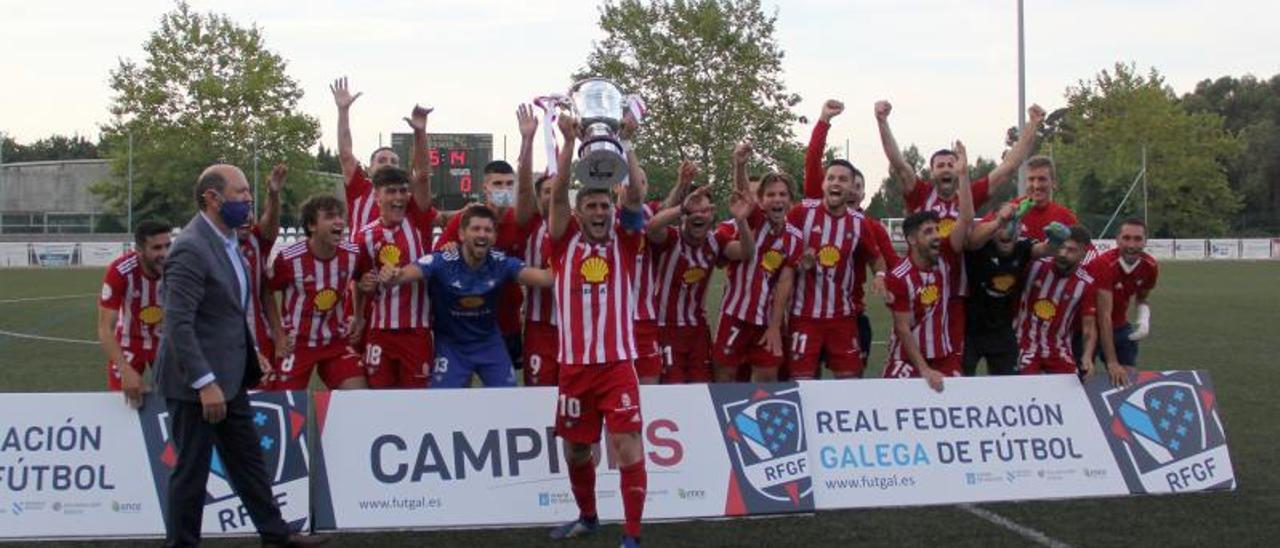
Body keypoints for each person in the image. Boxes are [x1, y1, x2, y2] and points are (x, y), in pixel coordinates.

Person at [154, 164, 324, 548]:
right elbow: (178, 324)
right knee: (192, 472)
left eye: (249, 192)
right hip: (196, 385)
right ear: (212, 198)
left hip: (228, 379)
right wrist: (205, 382)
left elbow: (231, 312)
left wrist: (250, 356)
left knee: (248, 463)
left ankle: (276, 535)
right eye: (241, 192)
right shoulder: (191, 248)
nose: (248, 199)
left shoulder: (230, 241)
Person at [544, 114, 647, 548]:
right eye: (592, 206)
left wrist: (624, 141)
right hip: (574, 368)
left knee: (627, 448)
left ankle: (632, 536)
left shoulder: (625, 242)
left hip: (617, 365)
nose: (601, 212)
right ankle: (588, 516)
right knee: (576, 451)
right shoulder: (562, 241)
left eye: (606, 206)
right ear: (580, 211)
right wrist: (568, 143)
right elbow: (557, 198)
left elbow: (638, 194)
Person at [381, 205, 555, 388]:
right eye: (476, 229)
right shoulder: (442, 261)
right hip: (451, 346)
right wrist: (391, 275)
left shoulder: (501, 262)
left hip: (489, 344)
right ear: (462, 234)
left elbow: (545, 278)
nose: (482, 234)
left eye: (488, 230)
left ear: (494, 237)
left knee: (507, 398)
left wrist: (567, 258)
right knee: (442, 404)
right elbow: (403, 275)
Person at [434, 105, 542, 370]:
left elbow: (529, 189)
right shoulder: (466, 219)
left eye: (508, 184)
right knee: (459, 393)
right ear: (485, 187)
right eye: (497, 184)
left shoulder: (520, 219)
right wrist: (450, 252)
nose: (503, 189)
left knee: (503, 397)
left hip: (506, 322)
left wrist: (527, 140)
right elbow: (439, 255)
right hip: (464, 322)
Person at [802, 100, 899, 360]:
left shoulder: (869, 227)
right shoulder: (814, 206)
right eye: (840, 180)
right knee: (807, 377)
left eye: (856, 184)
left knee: (851, 379)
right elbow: (812, 161)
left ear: (862, 193)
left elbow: (892, 263)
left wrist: (893, 280)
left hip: (850, 315)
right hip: (807, 314)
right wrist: (823, 121)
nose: (850, 188)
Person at [352, 107, 440, 388]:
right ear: (377, 196)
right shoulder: (364, 236)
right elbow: (360, 282)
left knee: (417, 404)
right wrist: (361, 298)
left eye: (403, 191)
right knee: (380, 403)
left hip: (416, 330)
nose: (399, 197)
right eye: (391, 191)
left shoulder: (417, 220)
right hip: (379, 332)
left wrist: (420, 132)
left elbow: (423, 175)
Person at [786, 137, 887, 380]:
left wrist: (880, 276)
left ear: (852, 187)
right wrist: (800, 264)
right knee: (802, 381)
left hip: (842, 317)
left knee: (849, 380)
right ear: (823, 184)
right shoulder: (801, 213)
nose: (836, 183)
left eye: (843, 179)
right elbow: (781, 250)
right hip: (804, 317)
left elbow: (876, 258)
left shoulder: (859, 222)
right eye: (831, 178)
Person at [883, 142, 974, 391]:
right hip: (907, 359)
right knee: (893, 401)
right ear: (912, 240)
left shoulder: (944, 259)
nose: (937, 236)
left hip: (944, 356)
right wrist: (924, 370)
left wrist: (963, 175)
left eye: (936, 230)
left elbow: (965, 219)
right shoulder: (899, 276)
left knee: (959, 400)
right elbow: (902, 328)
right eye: (928, 232)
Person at [647, 181, 756, 384]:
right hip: (666, 328)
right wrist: (681, 207)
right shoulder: (670, 238)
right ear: (684, 215)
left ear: (712, 215)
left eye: (704, 210)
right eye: (693, 210)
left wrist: (741, 220)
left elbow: (746, 252)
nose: (699, 215)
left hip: (697, 330)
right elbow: (652, 227)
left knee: (703, 388)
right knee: (675, 388)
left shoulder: (716, 241)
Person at [713, 142, 803, 382]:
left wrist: (775, 326)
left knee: (767, 374)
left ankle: (763, 417)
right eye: (771, 195)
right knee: (725, 372)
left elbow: (785, 283)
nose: (777, 199)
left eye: (782, 194)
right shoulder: (756, 221)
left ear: (790, 201)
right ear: (761, 201)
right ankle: (725, 419)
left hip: (765, 320)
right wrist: (740, 164)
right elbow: (743, 192)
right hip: (735, 313)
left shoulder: (795, 238)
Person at [877, 100, 1045, 220]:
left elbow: (1009, 166)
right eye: (940, 165)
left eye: (951, 164)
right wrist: (882, 121)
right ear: (932, 172)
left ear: (960, 168)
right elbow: (899, 164)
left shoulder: (969, 195)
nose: (946, 169)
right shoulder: (920, 194)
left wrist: (1032, 124)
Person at [267, 195, 368, 390]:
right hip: (296, 343)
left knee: (359, 395)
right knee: (287, 404)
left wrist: (358, 315)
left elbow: (361, 279)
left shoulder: (353, 254)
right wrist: (278, 335)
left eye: (340, 216)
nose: (339, 221)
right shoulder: (288, 260)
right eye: (330, 216)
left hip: (335, 342)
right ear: (312, 226)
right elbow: (267, 292)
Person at [962, 202, 1066, 376]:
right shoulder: (980, 245)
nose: (1006, 231)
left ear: (1019, 229)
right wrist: (999, 221)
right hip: (969, 330)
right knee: (961, 384)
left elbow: (1043, 250)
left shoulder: (1022, 247)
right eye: (1002, 226)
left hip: (1002, 330)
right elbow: (970, 242)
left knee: (1010, 384)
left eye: (1013, 226)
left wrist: (1055, 241)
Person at [98, 220, 171, 407]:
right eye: (156, 248)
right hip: (129, 342)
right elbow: (105, 329)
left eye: (167, 246)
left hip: (166, 342)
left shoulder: (179, 266)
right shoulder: (120, 271)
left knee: (175, 402)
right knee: (126, 404)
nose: (164, 254)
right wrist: (125, 370)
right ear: (139, 250)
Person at [1015, 225, 1099, 377]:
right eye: (1061, 247)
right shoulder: (1035, 266)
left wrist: (1087, 356)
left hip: (1059, 351)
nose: (1063, 254)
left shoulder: (1086, 283)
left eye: (1071, 250)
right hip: (1024, 346)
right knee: (1027, 388)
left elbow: (1089, 328)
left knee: (1071, 391)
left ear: (1083, 253)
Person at [1088, 218, 1159, 386]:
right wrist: (1112, 362)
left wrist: (1143, 321)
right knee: (1082, 377)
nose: (1132, 245)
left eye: (1137, 239)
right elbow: (1104, 317)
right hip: (1088, 327)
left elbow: (1142, 297)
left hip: (1119, 325)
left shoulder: (1150, 266)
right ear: (1117, 239)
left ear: (1145, 241)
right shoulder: (1104, 264)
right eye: (1126, 238)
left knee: (1128, 378)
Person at [235, 163, 286, 387]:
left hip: (259, 334)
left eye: (250, 208)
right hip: (222, 339)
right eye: (240, 208)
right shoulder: (207, 245)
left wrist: (273, 194)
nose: (247, 215)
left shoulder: (256, 240)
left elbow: (265, 294)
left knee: (265, 395)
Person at [332, 76, 400, 230]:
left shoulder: (408, 196)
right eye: (382, 160)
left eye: (393, 161)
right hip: (362, 254)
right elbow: (345, 153)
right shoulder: (361, 188)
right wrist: (343, 111)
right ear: (369, 169)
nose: (388, 164)